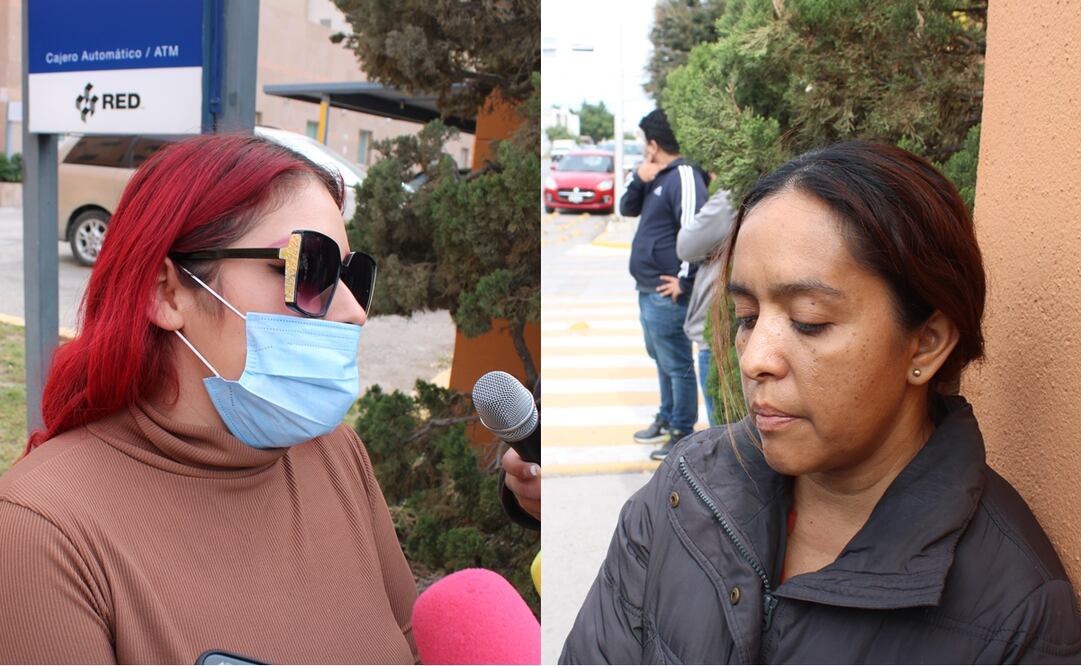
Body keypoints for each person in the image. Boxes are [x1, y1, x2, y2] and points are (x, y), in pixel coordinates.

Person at [561, 141, 1081, 663]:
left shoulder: (1018, 614)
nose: (754, 358)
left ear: (925, 343)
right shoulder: (684, 490)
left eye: (810, 320)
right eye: (746, 317)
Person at [0, 135, 417, 664]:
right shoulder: (41, 531)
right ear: (166, 292)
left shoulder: (338, 456)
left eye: (354, 276)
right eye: (309, 268)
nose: (355, 310)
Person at [622, 109, 708, 459]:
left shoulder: (685, 175)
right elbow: (627, 208)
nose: (644, 148)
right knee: (661, 359)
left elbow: (697, 232)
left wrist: (684, 282)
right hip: (646, 289)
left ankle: (681, 432)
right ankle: (668, 416)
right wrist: (639, 178)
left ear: (654, 144)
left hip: (666, 293)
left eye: (644, 142)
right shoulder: (656, 175)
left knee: (676, 364)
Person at [677, 187, 736, 427]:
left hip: (720, 330)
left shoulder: (730, 198)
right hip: (725, 327)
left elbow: (686, 246)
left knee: (723, 426)